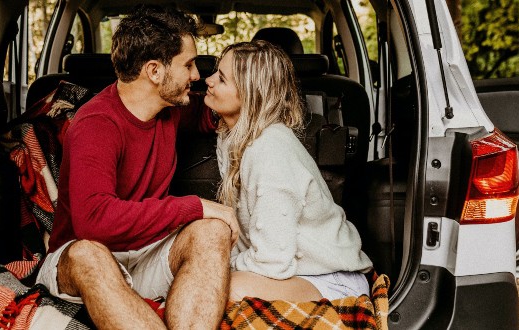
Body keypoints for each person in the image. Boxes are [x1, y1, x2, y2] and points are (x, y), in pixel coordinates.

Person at [35, 5, 239, 329]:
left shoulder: (169, 108)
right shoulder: (96, 124)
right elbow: (94, 223)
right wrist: (196, 206)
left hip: (145, 252)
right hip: (85, 258)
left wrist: (248, 103)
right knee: (90, 256)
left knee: (212, 231)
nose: (197, 76)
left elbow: (206, 112)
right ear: (155, 71)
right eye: (188, 65)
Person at [205, 40, 373, 302]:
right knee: (201, 282)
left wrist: (217, 268)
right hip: (292, 272)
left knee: (216, 292)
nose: (209, 80)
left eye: (222, 79)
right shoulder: (231, 137)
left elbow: (272, 262)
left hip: (331, 279)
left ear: (250, 94)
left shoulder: (269, 150)